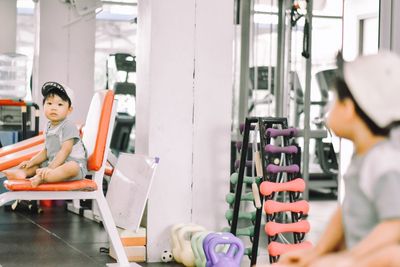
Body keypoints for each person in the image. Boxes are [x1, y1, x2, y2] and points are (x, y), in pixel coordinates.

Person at [266, 51, 400, 267]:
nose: (329, 108)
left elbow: (395, 226)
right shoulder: (363, 158)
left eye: (334, 100)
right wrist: (317, 252)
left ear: (348, 109)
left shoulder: (383, 162)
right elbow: (345, 211)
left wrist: (348, 258)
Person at [3, 81, 87, 188]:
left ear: (69, 110)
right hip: (55, 164)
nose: (53, 108)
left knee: (71, 167)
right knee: (36, 165)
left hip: (73, 165)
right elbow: (46, 151)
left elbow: (65, 151)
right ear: (43, 106)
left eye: (60, 104)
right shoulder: (48, 126)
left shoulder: (68, 126)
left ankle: (41, 178)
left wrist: (50, 168)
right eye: (49, 103)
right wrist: (31, 162)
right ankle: (22, 173)